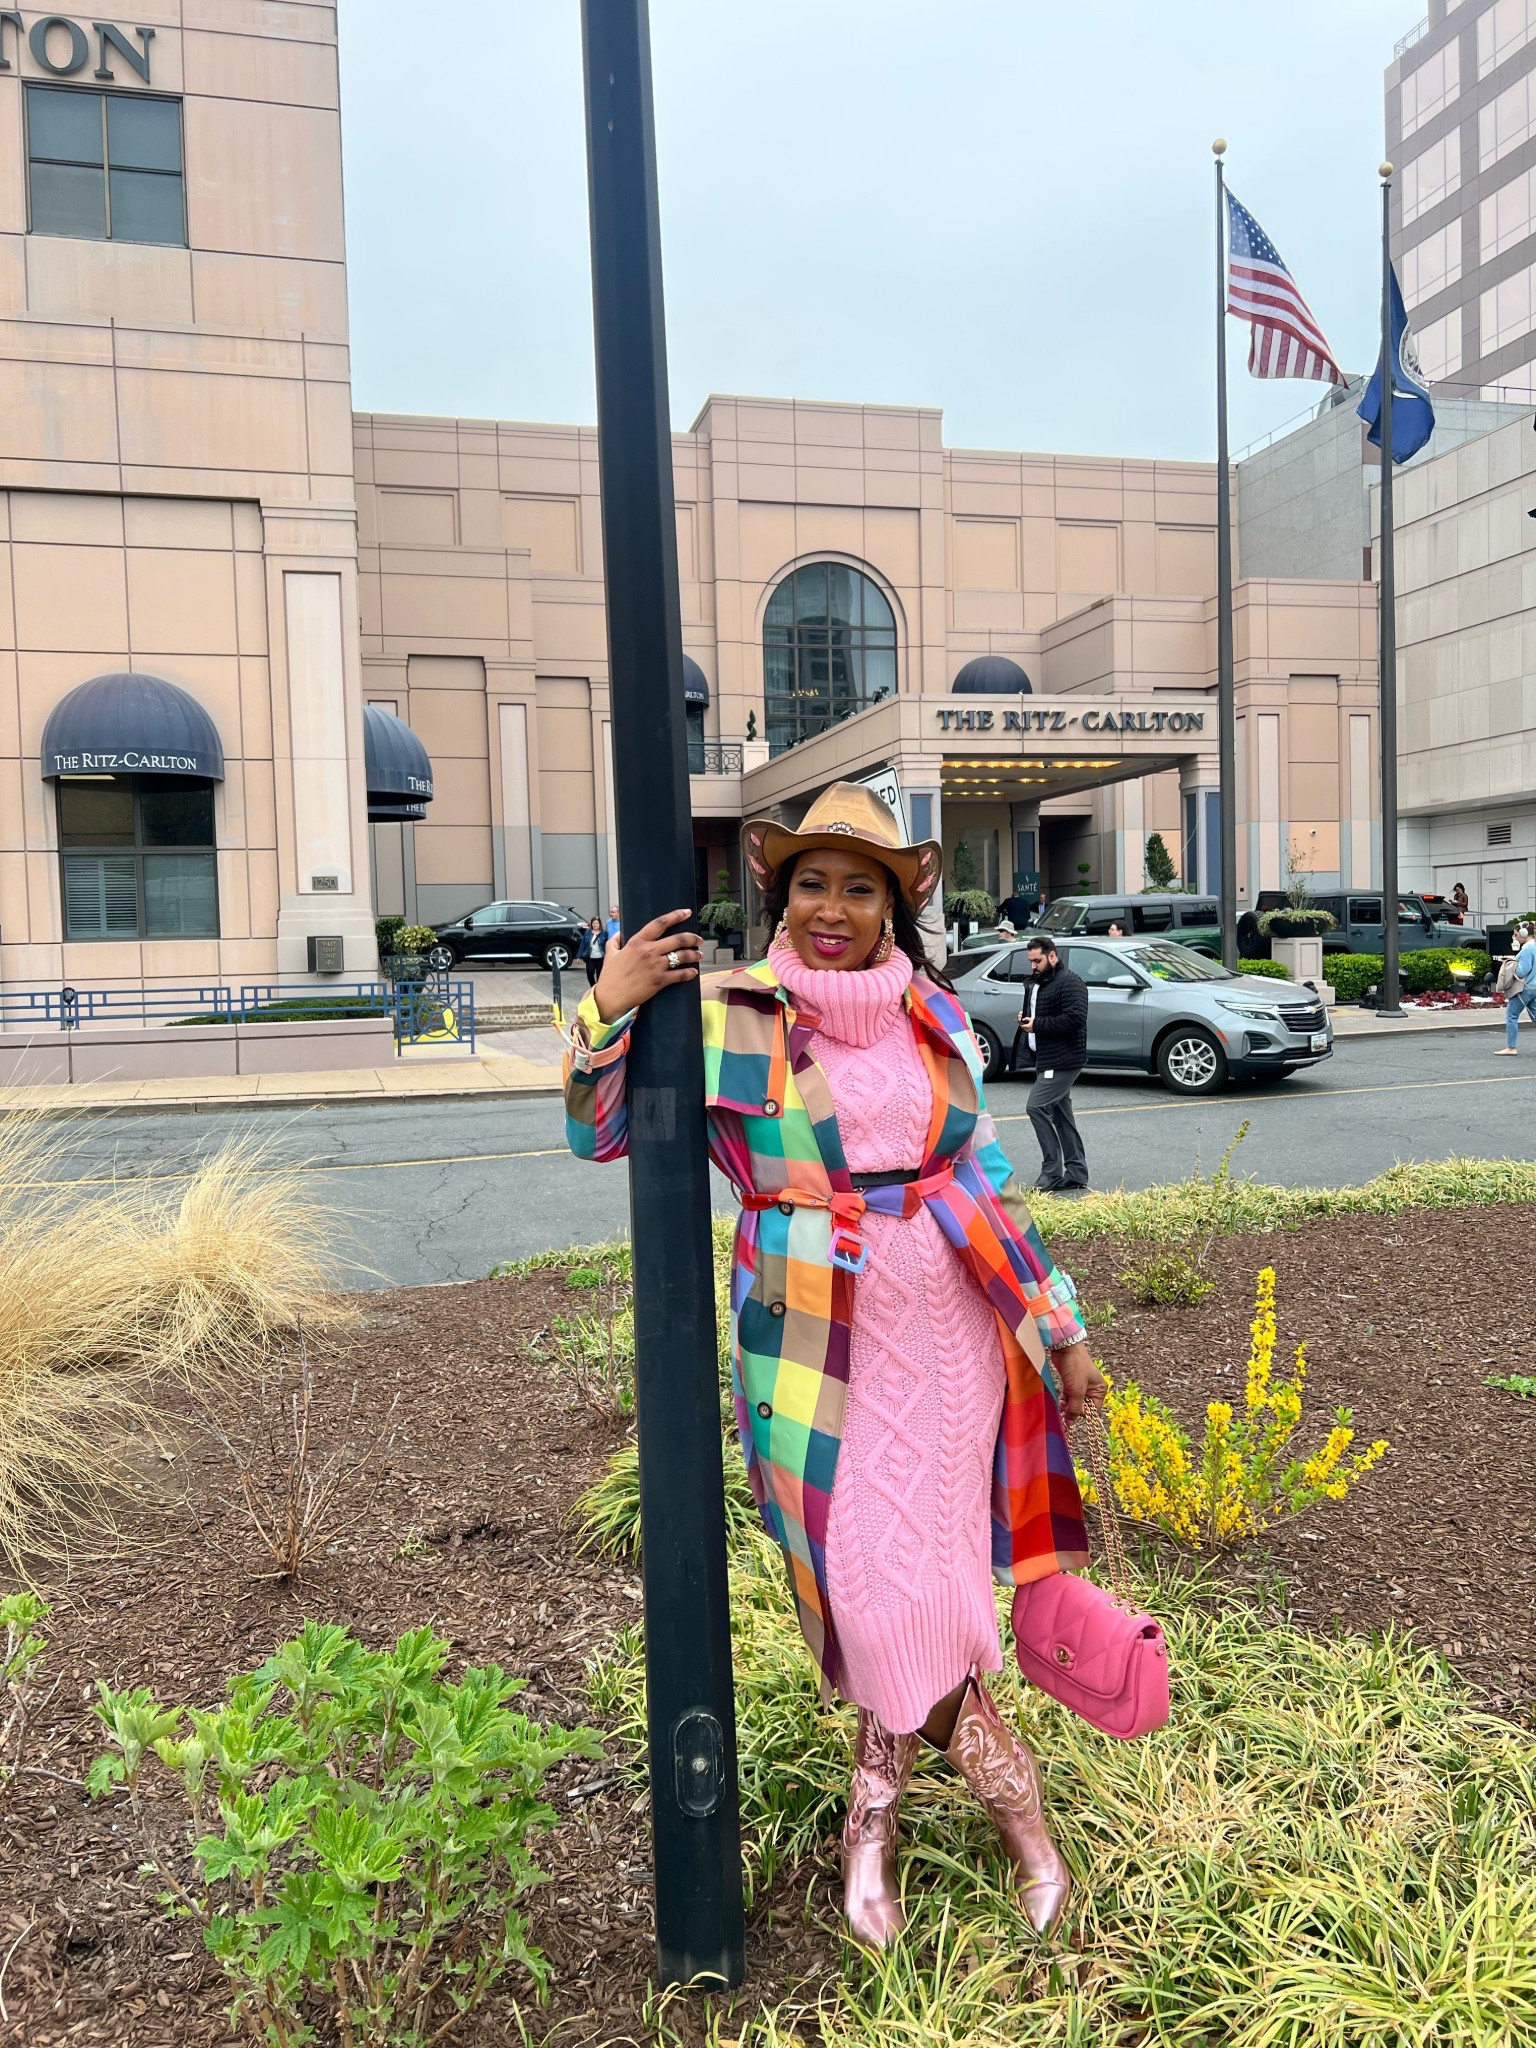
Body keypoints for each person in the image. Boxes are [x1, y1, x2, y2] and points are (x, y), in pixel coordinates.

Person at [563, 782, 1105, 1947]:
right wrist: (606, 1007)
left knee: (945, 1583)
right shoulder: (726, 1013)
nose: (832, 906)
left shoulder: (936, 1014)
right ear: (778, 889)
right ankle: (1019, 1817)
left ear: (895, 906)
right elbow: (598, 1128)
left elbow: (988, 1183)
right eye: (811, 880)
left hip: (957, 1339)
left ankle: (881, 1825)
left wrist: (1060, 1326)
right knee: (866, 1591)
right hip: (816, 1350)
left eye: (860, 887)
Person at [1013, 938, 1089, 1193]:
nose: (1033, 966)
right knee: (1061, 1115)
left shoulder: (1070, 982)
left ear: (1053, 956)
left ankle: (1052, 1172)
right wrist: (1025, 1020)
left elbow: (1075, 1019)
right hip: (1046, 1057)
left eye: (1038, 960)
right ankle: (1076, 1172)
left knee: (1036, 1107)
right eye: (1031, 961)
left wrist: (1037, 1025)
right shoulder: (1038, 982)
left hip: (1064, 1059)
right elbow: (1040, 1013)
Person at [1496, 923, 1536, 1055]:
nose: (1515, 937)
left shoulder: (1527, 950)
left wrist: (1510, 965)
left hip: (1524, 988)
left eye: (1516, 934)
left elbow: (1521, 971)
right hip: (1534, 988)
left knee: (1512, 1016)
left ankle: (1511, 1047)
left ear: (1524, 933)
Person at [577, 914, 606, 987]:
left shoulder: (604, 933)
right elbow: (583, 944)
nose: (595, 925)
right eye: (593, 923)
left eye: (597, 923)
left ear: (599, 924)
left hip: (600, 958)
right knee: (590, 974)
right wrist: (579, 956)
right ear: (591, 924)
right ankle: (593, 986)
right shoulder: (587, 933)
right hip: (590, 958)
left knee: (600, 975)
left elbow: (607, 945)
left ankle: (598, 988)